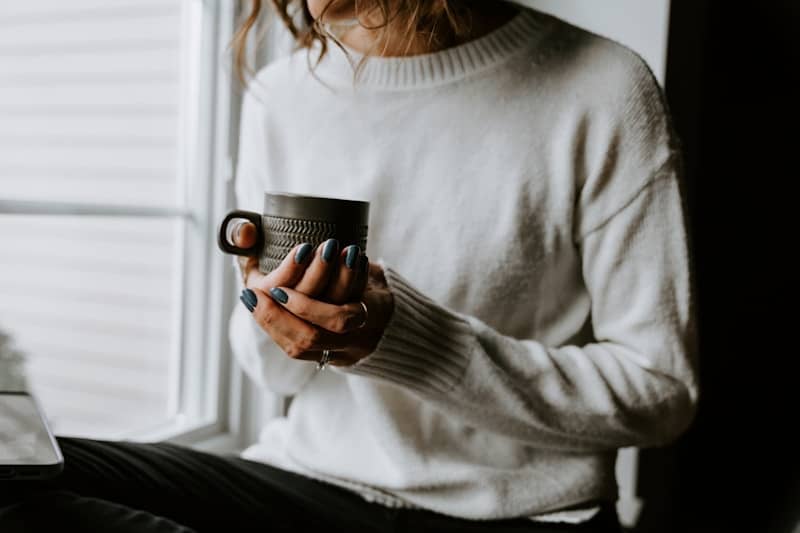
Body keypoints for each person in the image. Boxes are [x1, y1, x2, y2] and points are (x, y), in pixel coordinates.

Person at [0, 1, 697, 531]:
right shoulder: (284, 95)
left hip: (523, 514)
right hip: (312, 483)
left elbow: (661, 391)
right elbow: (273, 373)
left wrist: (405, 342)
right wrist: (278, 318)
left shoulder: (603, 88)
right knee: (17, 474)